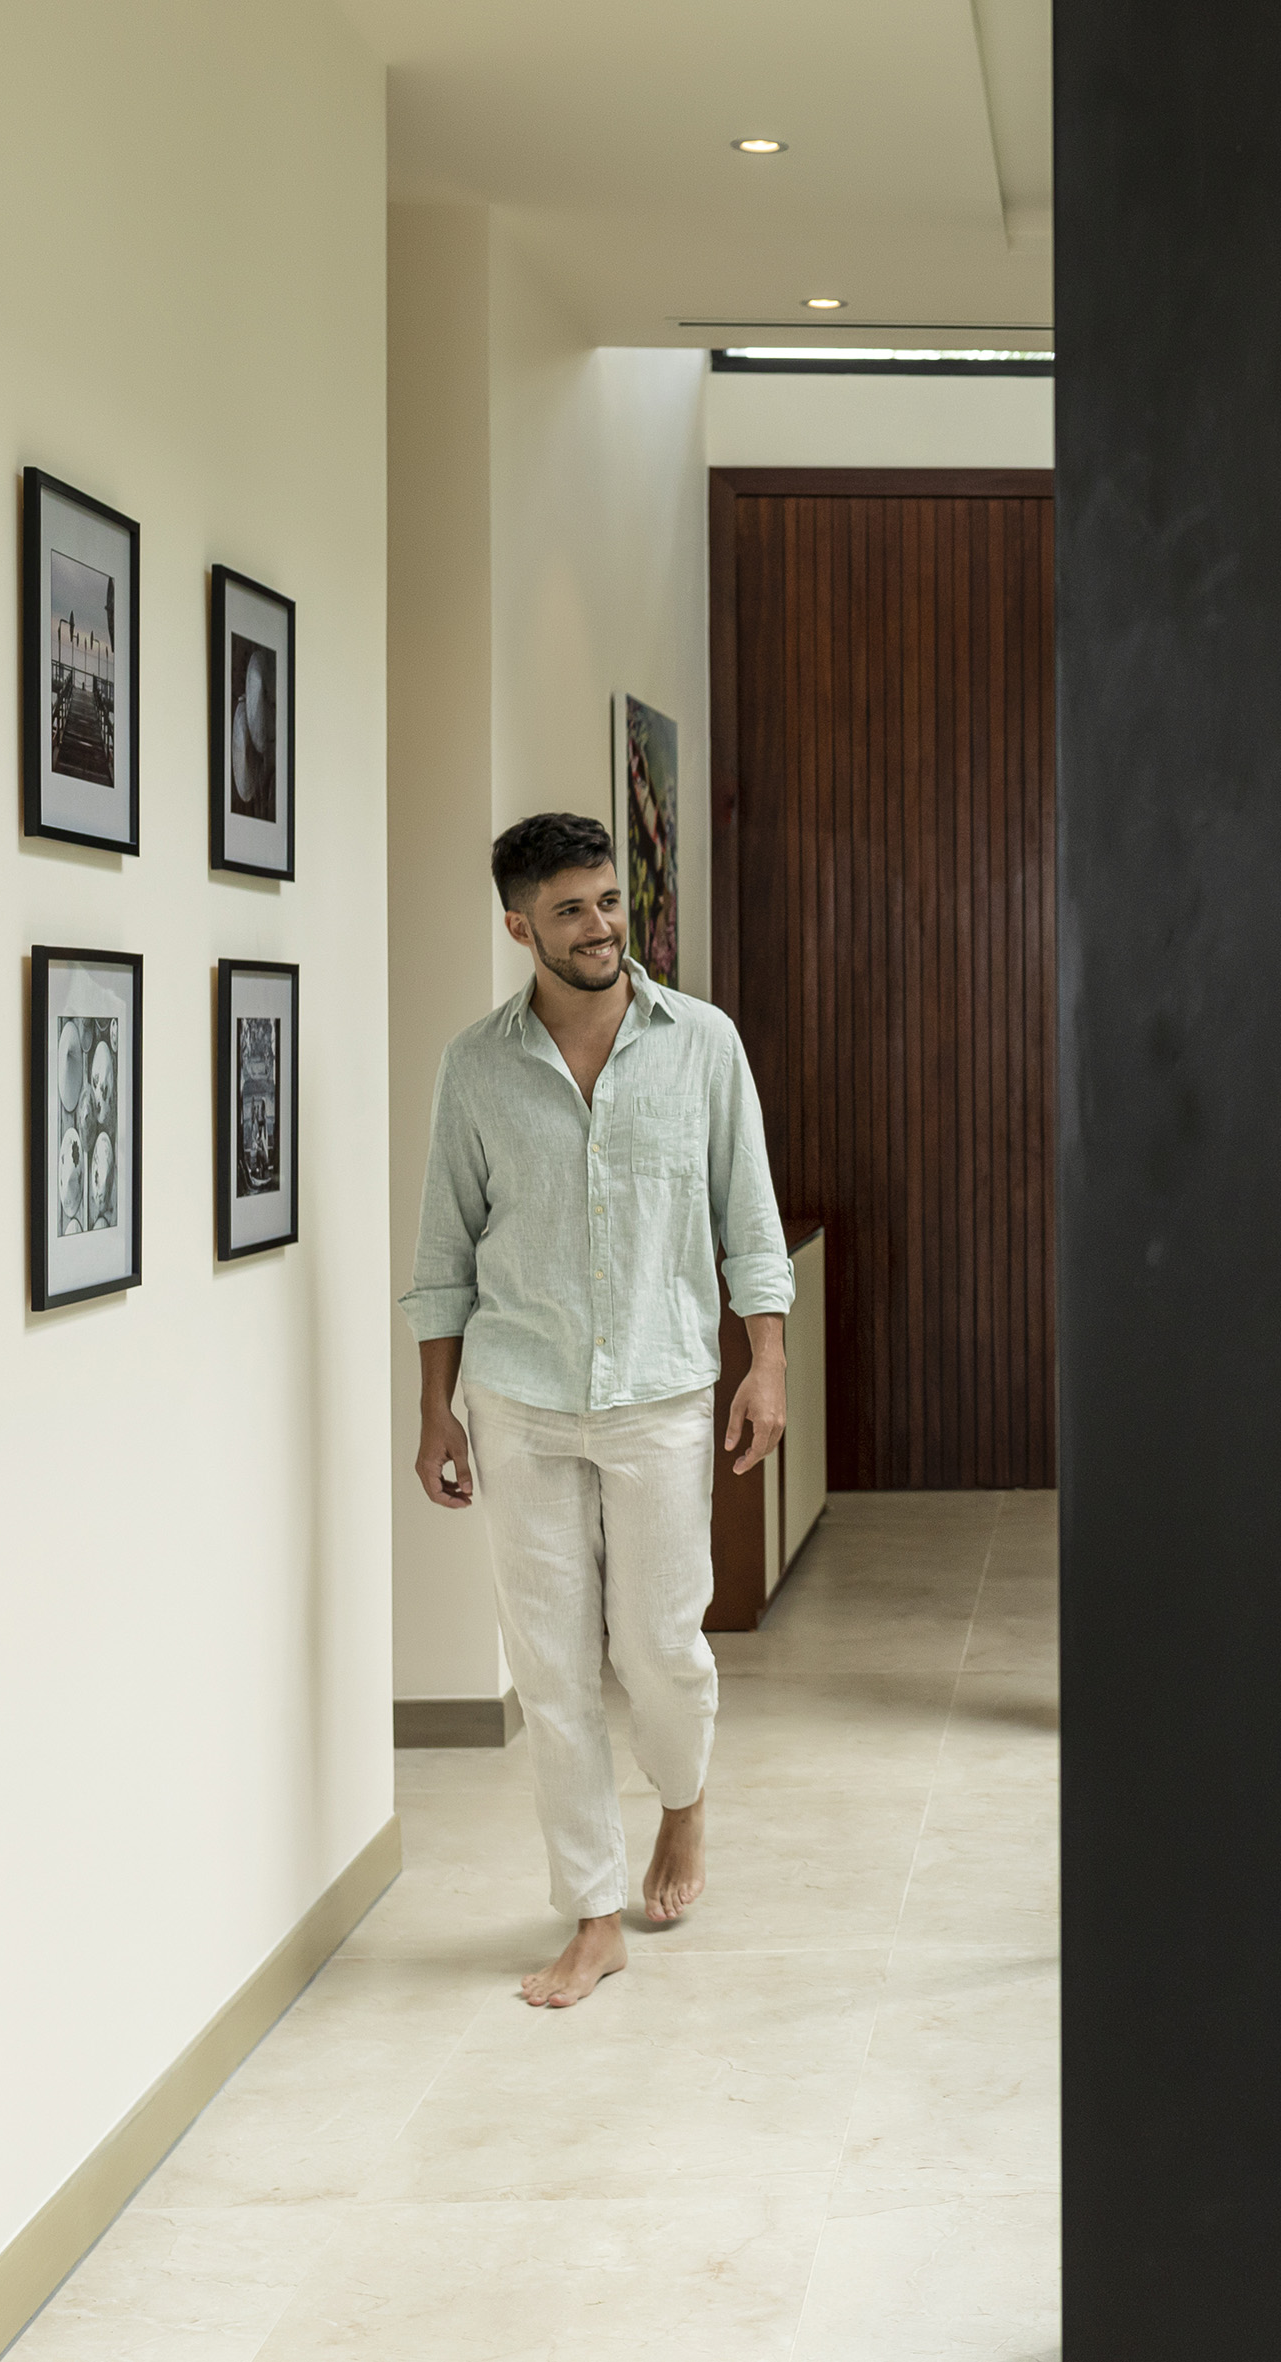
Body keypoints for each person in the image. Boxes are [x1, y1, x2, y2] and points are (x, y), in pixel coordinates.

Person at [401, 812, 793, 2009]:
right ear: (519, 926)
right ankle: (591, 1909)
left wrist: (764, 1361)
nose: (602, 926)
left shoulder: (702, 1044)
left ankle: (684, 1802)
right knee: (552, 1669)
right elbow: (443, 1252)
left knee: (662, 1648)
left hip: (662, 1393)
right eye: (570, 909)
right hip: (518, 1398)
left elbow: (749, 1221)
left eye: (611, 900)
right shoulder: (476, 1067)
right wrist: (437, 1409)